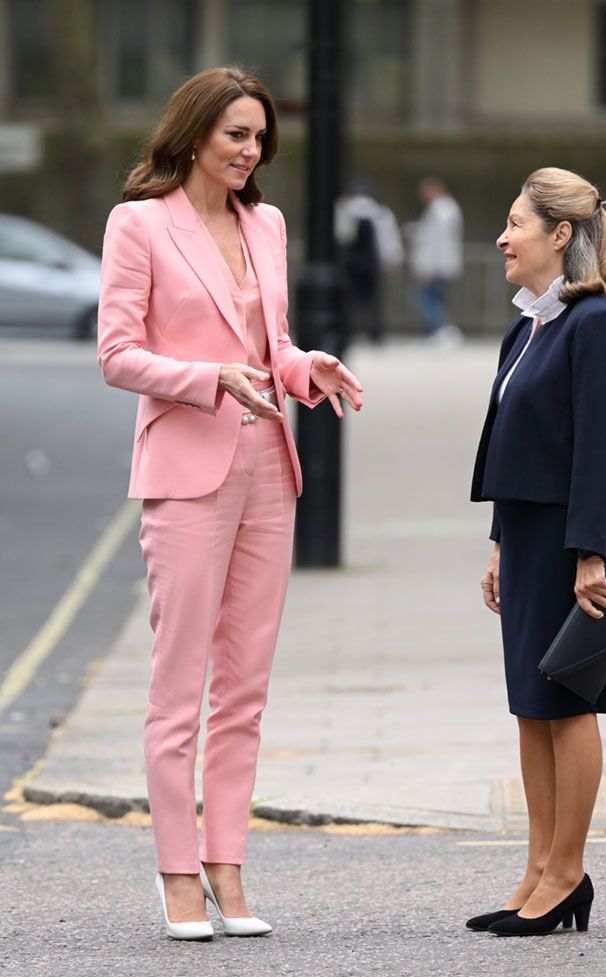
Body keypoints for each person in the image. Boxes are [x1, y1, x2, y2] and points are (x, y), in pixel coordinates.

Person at [97, 65, 363, 941]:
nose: (251, 151)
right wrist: (207, 378)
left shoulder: (268, 224)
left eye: (259, 138)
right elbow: (118, 353)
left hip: (266, 467)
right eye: (236, 135)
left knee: (244, 691)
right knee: (180, 690)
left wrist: (303, 368)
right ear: (195, 134)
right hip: (184, 472)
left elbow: (270, 343)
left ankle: (227, 865)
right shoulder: (138, 223)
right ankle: (177, 875)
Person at [469, 167, 606, 937]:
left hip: (576, 543)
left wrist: (592, 555)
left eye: (516, 224)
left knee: (569, 701)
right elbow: (516, 444)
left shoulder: (595, 323)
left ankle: (568, 872)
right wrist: (501, 540)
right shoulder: (531, 323)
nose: (503, 238)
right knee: (531, 706)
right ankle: (538, 867)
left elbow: (601, 449)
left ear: (559, 234)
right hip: (531, 535)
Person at [335, 178, 403, 344]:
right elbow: (388, 239)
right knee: (372, 299)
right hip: (371, 262)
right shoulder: (381, 212)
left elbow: (341, 236)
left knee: (349, 299)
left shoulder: (345, 209)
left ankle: (348, 332)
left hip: (350, 262)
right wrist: (391, 261)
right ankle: (375, 333)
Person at [408, 177, 463, 342]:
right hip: (441, 263)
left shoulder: (441, 209)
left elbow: (436, 242)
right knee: (433, 299)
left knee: (426, 299)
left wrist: (429, 267)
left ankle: (443, 330)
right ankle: (434, 333)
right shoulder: (446, 208)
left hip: (436, 265)